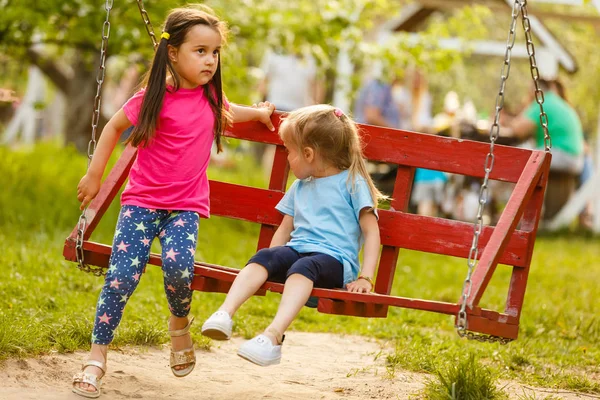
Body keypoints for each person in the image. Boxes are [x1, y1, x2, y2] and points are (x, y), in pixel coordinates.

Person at [71, 6, 276, 398]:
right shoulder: (154, 96)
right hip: (141, 205)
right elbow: (115, 125)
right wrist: (94, 176)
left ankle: (178, 325)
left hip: (184, 208)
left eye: (215, 52)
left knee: (180, 269)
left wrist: (262, 113)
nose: (210, 60)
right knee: (120, 278)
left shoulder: (213, 100)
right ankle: (96, 356)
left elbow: (234, 114)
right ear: (173, 53)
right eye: (200, 51)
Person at [200, 105, 385, 367]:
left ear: (308, 154)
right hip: (299, 252)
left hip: (334, 261)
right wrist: (273, 262)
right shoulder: (300, 185)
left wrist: (365, 277)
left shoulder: (352, 183)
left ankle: (273, 337)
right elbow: (285, 229)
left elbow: (371, 230)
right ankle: (224, 314)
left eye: (289, 150)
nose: (287, 156)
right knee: (265, 255)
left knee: (304, 266)